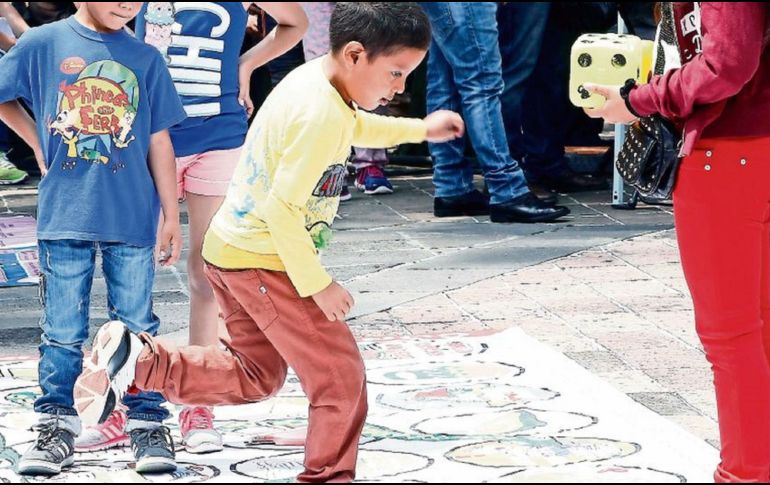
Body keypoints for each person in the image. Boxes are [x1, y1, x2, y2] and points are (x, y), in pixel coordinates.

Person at [74, 3, 463, 482]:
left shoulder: (317, 80)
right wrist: (318, 284)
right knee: (340, 380)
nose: (400, 86)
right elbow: (282, 209)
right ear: (357, 55)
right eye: (397, 73)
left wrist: (420, 129)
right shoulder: (319, 113)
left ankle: (140, 360)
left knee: (256, 376)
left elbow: (357, 126)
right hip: (265, 262)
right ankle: (328, 476)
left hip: (231, 253)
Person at [584, 2, 770, 482]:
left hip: (731, 149)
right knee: (753, 329)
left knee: (733, 334)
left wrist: (641, 99)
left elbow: (728, 63)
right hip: (748, 144)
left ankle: (747, 473)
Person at [0, 2, 187, 475]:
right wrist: (37, 141)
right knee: (62, 330)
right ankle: (56, 427)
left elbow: (159, 140)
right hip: (65, 215)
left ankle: (146, 423)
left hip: (133, 216)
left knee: (136, 327)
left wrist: (171, 214)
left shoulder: (146, 58)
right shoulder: (41, 44)